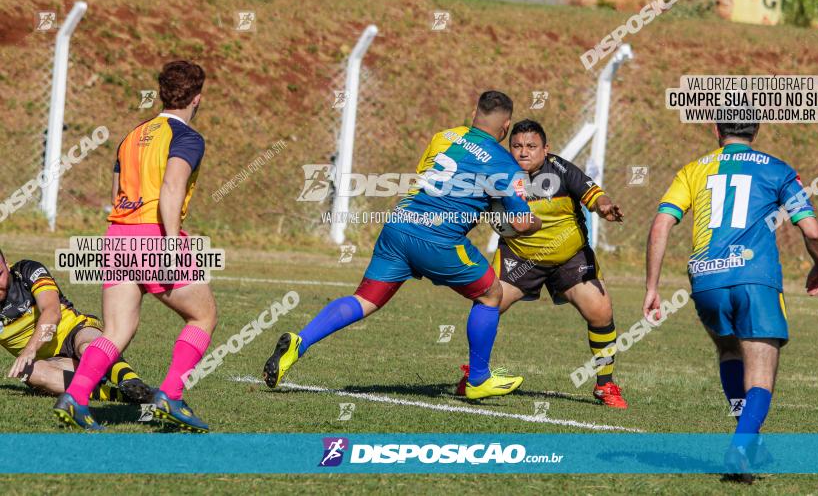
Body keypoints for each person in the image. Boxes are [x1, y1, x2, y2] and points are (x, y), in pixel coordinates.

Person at [263, 90, 541, 399]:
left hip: (399, 226)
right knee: (491, 294)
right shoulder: (505, 163)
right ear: (506, 127)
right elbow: (519, 223)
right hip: (438, 239)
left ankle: (300, 342)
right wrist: (533, 221)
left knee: (364, 300)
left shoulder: (444, 136)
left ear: (474, 112)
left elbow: (427, 176)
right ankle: (478, 379)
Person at [644, 122, 818, 482]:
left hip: (706, 279)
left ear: (717, 129)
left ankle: (750, 441)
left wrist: (652, 286)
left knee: (729, 351)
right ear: (755, 130)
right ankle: (741, 448)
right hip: (754, 279)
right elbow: (813, 231)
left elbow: (660, 225)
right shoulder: (777, 169)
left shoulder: (693, 169)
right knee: (761, 367)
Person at [53, 60, 218, 432]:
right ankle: (171, 395)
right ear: (197, 98)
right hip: (153, 235)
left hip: (117, 236)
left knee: (117, 328)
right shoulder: (187, 137)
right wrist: (172, 243)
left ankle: (76, 397)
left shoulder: (132, 137)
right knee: (203, 315)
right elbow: (171, 189)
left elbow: (116, 196)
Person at [455, 119, 628, 408]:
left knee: (601, 311)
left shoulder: (560, 169)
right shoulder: (497, 174)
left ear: (545, 149)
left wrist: (605, 207)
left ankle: (605, 385)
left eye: (531, 146)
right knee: (487, 304)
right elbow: (469, 207)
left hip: (568, 258)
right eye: (517, 146)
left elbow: (594, 195)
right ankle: (476, 376)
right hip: (519, 257)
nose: (523, 152)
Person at [0, 250, 151, 403]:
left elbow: (52, 313)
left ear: (6, 263)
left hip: (76, 331)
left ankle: (133, 382)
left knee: (87, 347)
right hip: (55, 363)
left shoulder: (27, 270)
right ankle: (121, 395)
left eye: (0, 274)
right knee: (29, 373)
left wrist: (30, 349)